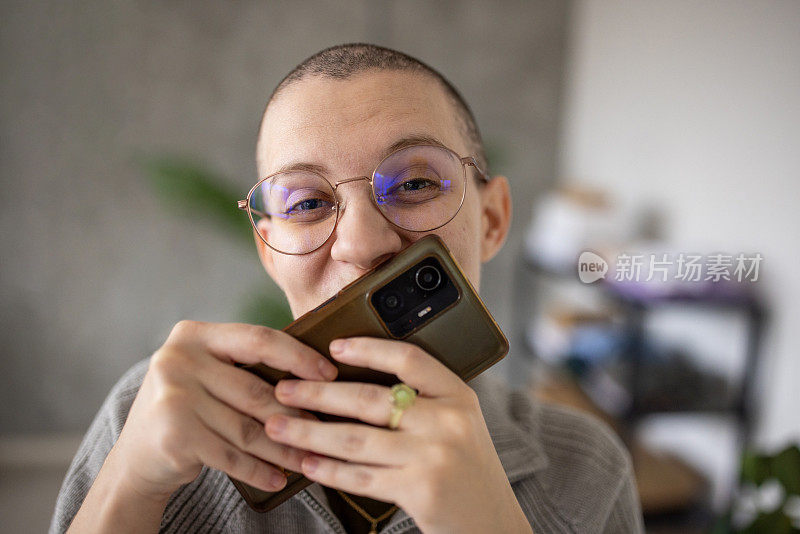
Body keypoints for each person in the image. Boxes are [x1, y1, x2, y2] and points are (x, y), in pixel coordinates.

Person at [50, 43, 644, 534]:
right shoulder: (149, 413)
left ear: (491, 220)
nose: (360, 244)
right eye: (308, 202)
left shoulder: (586, 467)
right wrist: (126, 487)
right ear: (268, 251)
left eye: (413, 183)